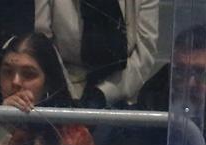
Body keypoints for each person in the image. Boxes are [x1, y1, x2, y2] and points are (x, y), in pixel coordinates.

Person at [30, 0, 158, 109]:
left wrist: (104, 93)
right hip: (61, 90)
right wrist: (66, 95)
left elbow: (144, 54)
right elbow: (43, 44)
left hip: (122, 92)